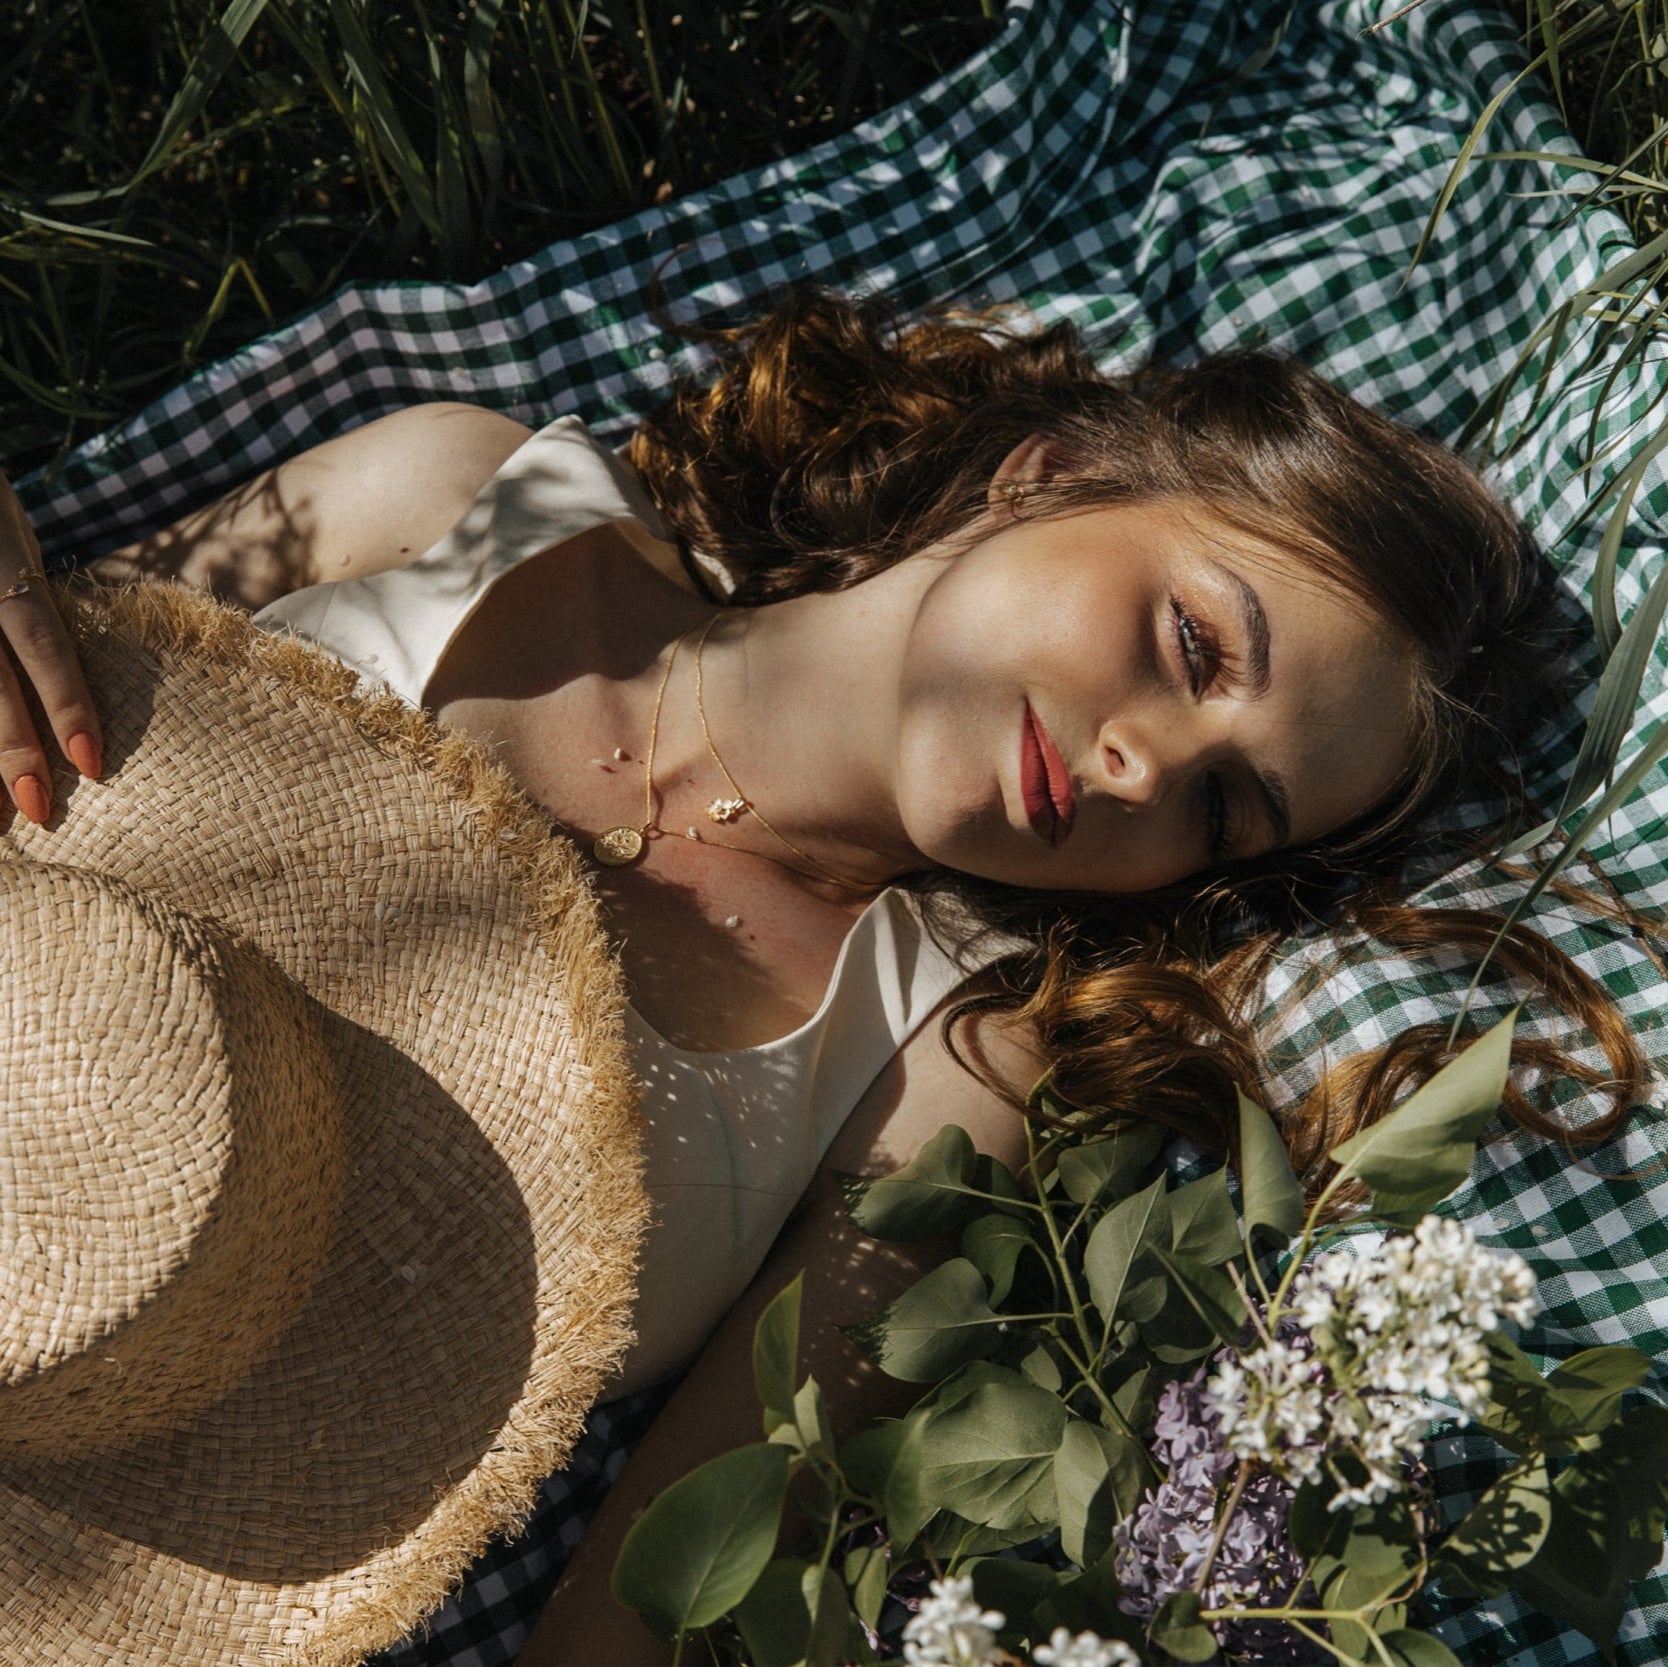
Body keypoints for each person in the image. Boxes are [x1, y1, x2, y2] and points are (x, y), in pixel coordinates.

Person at [0, 289, 1641, 1662]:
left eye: (1221, 810)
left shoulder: (957, 1060)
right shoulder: (460, 491)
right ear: (1049, 478)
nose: (1143, 767)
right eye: (1191, 645)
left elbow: (647, 1604)